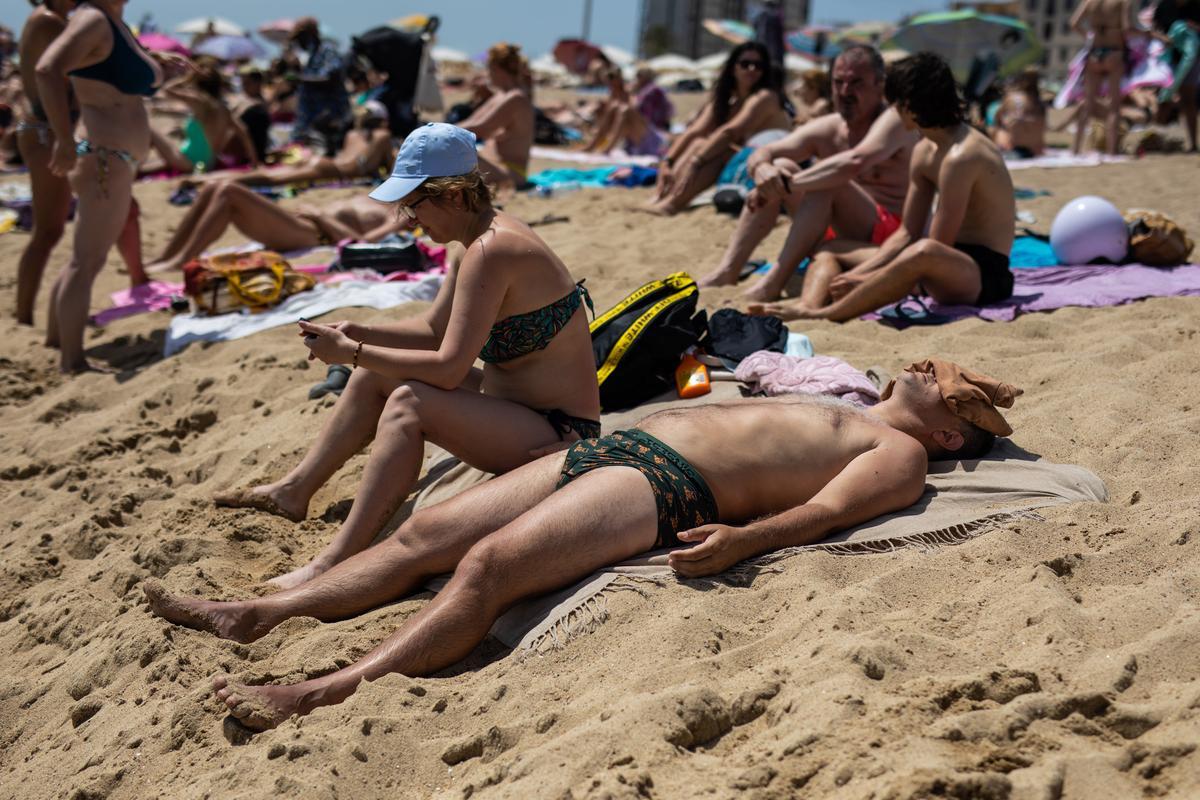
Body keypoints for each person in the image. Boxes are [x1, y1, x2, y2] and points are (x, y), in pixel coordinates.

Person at [145, 357, 1020, 730]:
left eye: (949, 390)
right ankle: (262, 610)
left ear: (951, 438)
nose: (931, 374)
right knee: (425, 533)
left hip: (669, 489)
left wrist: (746, 539)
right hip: (616, 450)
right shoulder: (857, 398)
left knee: (489, 567)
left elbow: (827, 514)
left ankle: (321, 689)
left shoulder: (901, 452)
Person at [211, 123, 601, 590]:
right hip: (515, 410)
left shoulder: (494, 250)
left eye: (414, 205)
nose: (410, 220)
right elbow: (434, 330)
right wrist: (361, 333)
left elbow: (450, 366)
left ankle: (332, 562)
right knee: (372, 377)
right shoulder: (472, 244)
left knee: (407, 401)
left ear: (454, 195)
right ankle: (294, 491)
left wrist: (353, 352)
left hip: (556, 434)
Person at [750, 53, 1015, 322]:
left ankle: (827, 313)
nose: (892, 111)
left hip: (983, 272)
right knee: (831, 248)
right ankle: (808, 306)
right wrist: (859, 273)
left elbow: (936, 247)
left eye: (895, 103)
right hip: (939, 261)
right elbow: (906, 233)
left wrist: (867, 278)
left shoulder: (963, 155)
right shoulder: (925, 151)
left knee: (924, 251)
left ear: (910, 104)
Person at [698, 45, 918, 305]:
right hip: (832, 232)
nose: (845, 92)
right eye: (838, 82)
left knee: (827, 181)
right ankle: (729, 269)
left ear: (880, 84)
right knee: (782, 165)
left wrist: (786, 185)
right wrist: (764, 172)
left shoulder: (894, 120)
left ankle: (774, 282)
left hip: (886, 234)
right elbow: (764, 151)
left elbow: (854, 162)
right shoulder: (830, 127)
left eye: (856, 83)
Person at [34, 0, 178, 373]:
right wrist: (63, 140)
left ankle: (56, 341)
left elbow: (118, 82)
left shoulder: (113, 22)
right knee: (86, 262)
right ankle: (72, 361)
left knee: (83, 258)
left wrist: (163, 70)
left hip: (111, 157)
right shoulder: (93, 17)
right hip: (102, 156)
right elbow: (48, 69)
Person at [14, 0, 145, 327]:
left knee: (64, 228)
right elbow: (54, 74)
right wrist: (65, 137)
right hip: (47, 130)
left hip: (47, 129)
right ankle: (25, 317)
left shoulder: (52, 20)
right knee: (49, 231)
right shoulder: (50, 21)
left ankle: (36, 315)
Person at [645, 41, 792, 216]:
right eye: (745, 64)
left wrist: (696, 162)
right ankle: (664, 196)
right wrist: (667, 162)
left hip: (773, 168)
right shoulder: (728, 100)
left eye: (758, 66)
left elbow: (731, 131)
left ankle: (672, 203)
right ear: (733, 67)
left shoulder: (765, 97)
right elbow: (694, 131)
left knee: (715, 149)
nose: (751, 69)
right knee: (699, 142)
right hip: (752, 165)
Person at [144, 184, 410, 273]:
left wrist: (320, 216)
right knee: (214, 188)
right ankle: (168, 256)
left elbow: (360, 243)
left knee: (229, 192)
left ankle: (181, 260)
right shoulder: (376, 194)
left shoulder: (399, 213)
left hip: (313, 235)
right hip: (303, 223)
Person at [186, 100, 393, 188]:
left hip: (325, 161)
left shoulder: (353, 133)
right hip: (334, 169)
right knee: (271, 180)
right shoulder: (383, 135)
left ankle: (207, 179)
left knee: (271, 174)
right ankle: (207, 182)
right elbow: (395, 168)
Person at [144, 63, 259, 174]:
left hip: (188, 161)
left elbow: (167, 89)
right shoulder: (224, 110)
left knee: (149, 130)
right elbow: (243, 132)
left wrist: (188, 78)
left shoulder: (199, 101)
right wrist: (254, 162)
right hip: (207, 165)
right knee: (153, 165)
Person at [456, 43, 535, 191]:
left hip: (509, 173)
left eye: (489, 69)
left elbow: (481, 128)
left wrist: (438, 131)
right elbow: (473, 121)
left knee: (451, 153)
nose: (487, 74)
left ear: (498, 70)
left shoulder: (516, 98)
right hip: (493, 164)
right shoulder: (501, 95)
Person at [1070, 0, 1135, 155]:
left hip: (1095, 53)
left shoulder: (1090, 2)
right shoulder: (1123, 2)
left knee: (1088, 104)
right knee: (1114, 106)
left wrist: (1088, 36)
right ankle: (1112, 151)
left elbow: (1074, 23)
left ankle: (1076, 149)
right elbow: (1127, 28)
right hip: (1114, 52)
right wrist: (1147, 35)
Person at [290, 16, 350, 148]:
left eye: (301, 37)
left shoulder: (328, 51)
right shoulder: (311, 55)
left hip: (328, 121)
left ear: (311, 34)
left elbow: (330, 79)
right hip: (310, 123)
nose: (299, 42)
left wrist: (300, 79)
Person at [582, 67, 667, 157]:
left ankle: (606, 149)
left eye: (639, 76)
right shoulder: (620, 94)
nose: (637, 79)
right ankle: (593, 146)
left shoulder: (650, 91)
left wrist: (628, 95)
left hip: (650, 136)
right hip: (635, 137)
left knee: (624, 110)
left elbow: (642, 113)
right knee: (615, 108)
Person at [1154, 0, 1200, 152]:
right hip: (1169, 59)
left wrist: (1195, 28)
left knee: (1189, 101)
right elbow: (1154, 29)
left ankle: (1193, 144)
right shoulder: (1164, 6)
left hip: (1190, 59)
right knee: (1163, 100)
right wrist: (1163, 38)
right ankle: (1156, 141)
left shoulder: (1196, 6)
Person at [992, 68, 1046, 158]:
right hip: (1037, 148)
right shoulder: (1040, 103)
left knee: (998, 129)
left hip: (1013, 145)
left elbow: (997, 117)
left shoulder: (1011, 97)